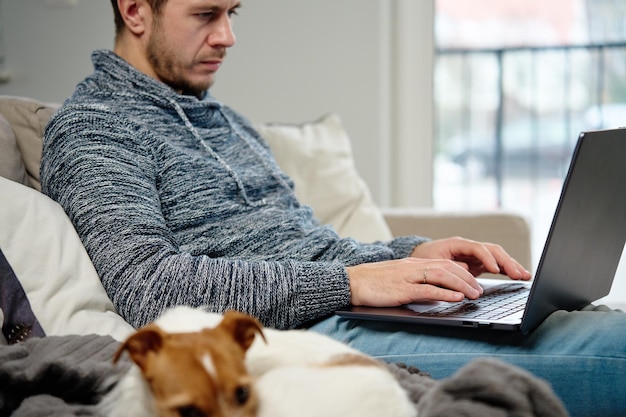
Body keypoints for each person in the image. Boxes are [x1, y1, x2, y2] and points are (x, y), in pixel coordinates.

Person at [40, 1, 625, 416]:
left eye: (231, 15)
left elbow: (313, 245)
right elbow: (150, 286)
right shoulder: (96, 129)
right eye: (205, 15)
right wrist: (348, 285)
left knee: (598, 319)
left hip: (342, 306)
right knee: (614, 353)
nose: (227, 36)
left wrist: (411, 255)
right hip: (299, 331)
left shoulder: (229, 123)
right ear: (135, 10)